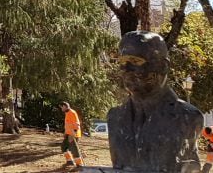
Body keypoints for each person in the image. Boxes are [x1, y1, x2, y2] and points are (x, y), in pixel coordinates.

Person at [108, 31, 204, 172]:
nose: (125, 69)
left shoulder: (188, 117)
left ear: (163, 66)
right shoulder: (114, 117)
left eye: (135, 61)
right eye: (122, 61)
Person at [60, 101, 85, 169]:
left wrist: (73, 135)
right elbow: (68, 125)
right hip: (68, 134)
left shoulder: (72, 113)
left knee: (74, 150)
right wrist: (65, 133)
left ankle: (79, 164)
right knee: (63, 147)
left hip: (73, 135)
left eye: (61, 107)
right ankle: (69, 161)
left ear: (64, 106)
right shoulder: (67, 113)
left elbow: (77, 125)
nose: (61, 109)